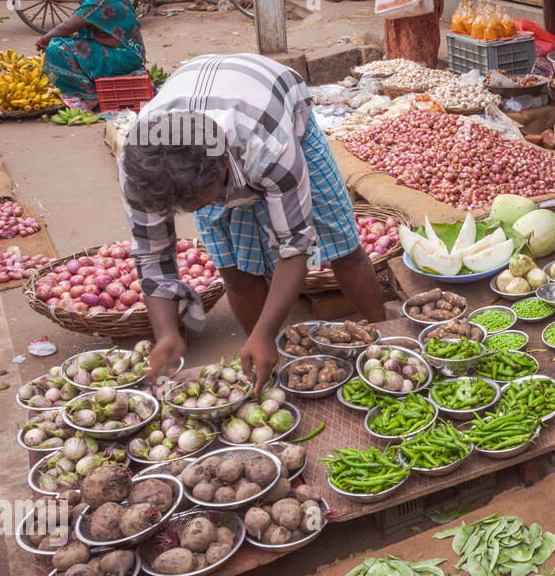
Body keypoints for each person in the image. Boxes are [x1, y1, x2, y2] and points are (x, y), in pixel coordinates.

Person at [120, 53, 387, 391]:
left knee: (343, 245)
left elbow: (295, 246)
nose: (214, 207)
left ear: (224, 170)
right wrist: (167, 333)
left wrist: (265, 331)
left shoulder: (269, 146)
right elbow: (151, 254)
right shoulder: (142, 164)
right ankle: (263, 366)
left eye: (212, 199)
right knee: (236, 267)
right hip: (208, 107)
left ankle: (386, 339)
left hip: (277, 108)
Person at [36, 0, 145, 108]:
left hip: (123, 58)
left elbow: (66, 27)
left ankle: (89, 95)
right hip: (132, 54)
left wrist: (44, 40)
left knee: (57, 46)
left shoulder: (97, 0)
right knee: (72, 41)